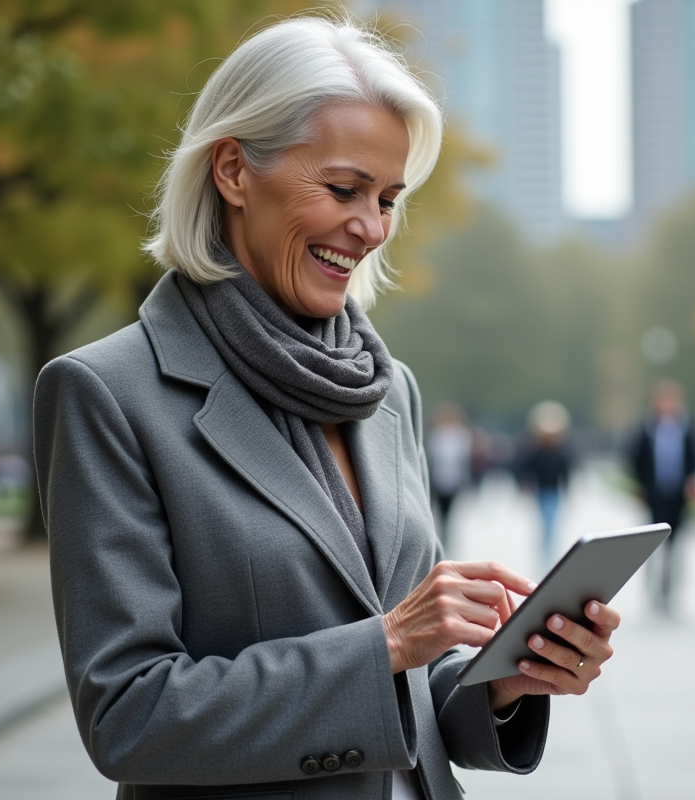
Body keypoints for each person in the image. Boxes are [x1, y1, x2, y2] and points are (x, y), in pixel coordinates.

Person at [32, 17, 621, 800]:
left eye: (388, 199)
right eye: (344, 189)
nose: (372, 228)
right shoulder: (107, 392)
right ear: (233, 171)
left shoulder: (388, 389)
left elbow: (414, 686)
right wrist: (385, 644)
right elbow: (130, 715)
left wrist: (506, 680)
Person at [626, 381, 695, 613]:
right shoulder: (646, 429)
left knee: (676, 545)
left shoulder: (687, 428)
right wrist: (639, 485)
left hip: (678, 496)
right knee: (652, 544)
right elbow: (634, 459)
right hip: (654, 495)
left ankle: (670, 590)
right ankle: (652, 590)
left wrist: (694, 480)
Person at [516, 401, 573, 568]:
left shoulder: (560, 453)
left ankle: (550, 555)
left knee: (552, 525)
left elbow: (565, 473)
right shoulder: (536, 452)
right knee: (545, 525)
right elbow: (526, 470)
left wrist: (567, 491)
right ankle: (545, 556)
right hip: (541, 492)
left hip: (554, 492)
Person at [426, 403, 472, 550]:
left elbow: (465, 459)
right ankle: (440, 537)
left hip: (454, 479)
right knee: (437, 511)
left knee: (449, 512)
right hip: (438, 479)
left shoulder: (461, 435)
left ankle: (446, 538)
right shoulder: (437, 435)